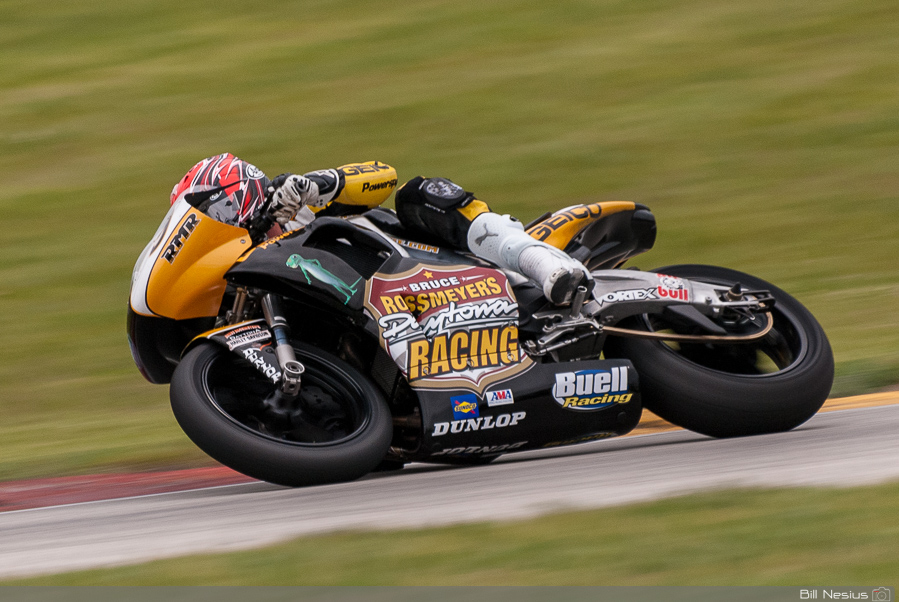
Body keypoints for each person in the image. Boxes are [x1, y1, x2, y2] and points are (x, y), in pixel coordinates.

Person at [170, 153, 590, 305]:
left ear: (238, 192)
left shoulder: (294, 201)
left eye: (218, 207)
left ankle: (539, 261)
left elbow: (382, 175)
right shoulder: (242, 280)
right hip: (394, 318)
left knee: (417, 192)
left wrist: (316, 186)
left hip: (435, 268)